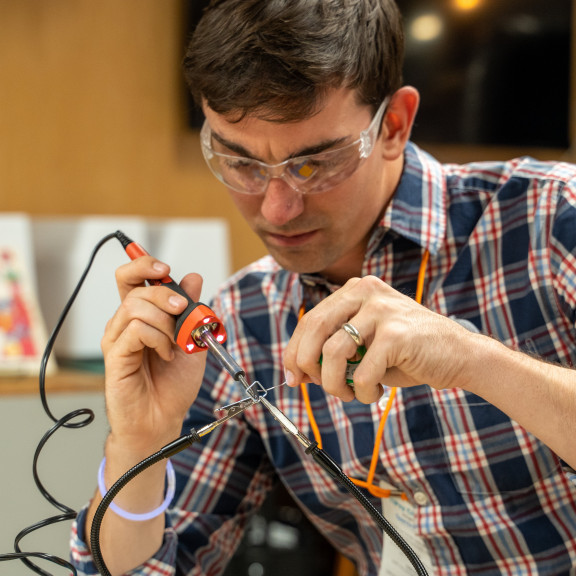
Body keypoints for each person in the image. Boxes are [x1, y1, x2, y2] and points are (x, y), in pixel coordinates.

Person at [71, 0, 576, 574]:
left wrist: (472, 361)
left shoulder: (552, 219)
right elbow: (141, 569)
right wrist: (140, 444)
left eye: (313, 165)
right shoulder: (243, 319)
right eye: (240, 163)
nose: (277, 208)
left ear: (394, 126)